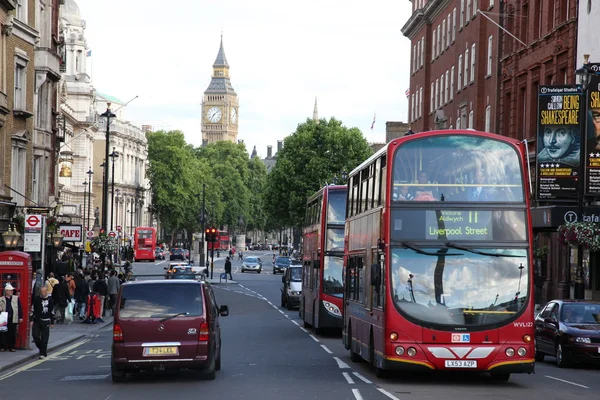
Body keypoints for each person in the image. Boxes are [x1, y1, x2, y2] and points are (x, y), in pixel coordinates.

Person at [31, 285, 54, 359]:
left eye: (44, 291)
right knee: (35, 335)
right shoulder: (37, 299)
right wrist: (31, 319)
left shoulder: (50, 300)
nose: (43, 293)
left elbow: (52, 311)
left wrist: (52, 322)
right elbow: (32, 310)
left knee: (45, 338)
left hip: (46, 320)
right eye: (41, 291)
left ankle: (43, 353)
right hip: (37, 320)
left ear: (47, 291)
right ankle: (41, 348)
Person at [0, 283, 23, 352]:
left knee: (12, 332)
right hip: (3, 316)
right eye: (10, 290)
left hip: (13, 316)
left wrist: (21, 317)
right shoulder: (1, 299)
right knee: (3, 333)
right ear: (6, 291)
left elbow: (19, 308)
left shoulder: (16, 298)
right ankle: (2, 346)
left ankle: (12, 346)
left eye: (12, 290)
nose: (12, 291)